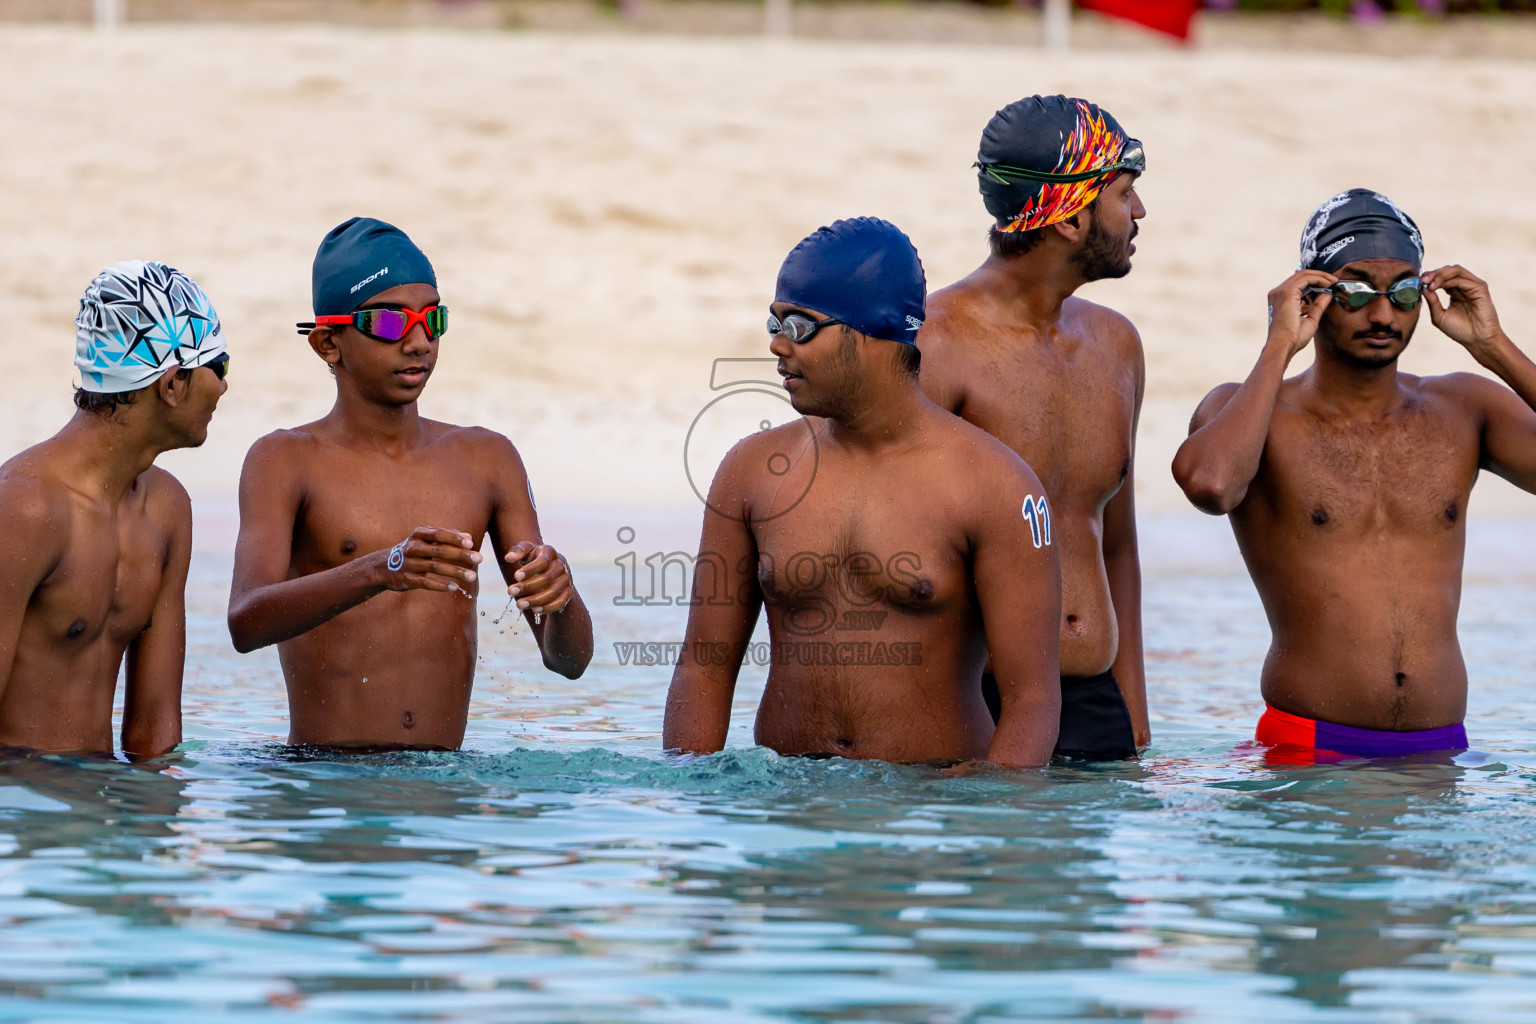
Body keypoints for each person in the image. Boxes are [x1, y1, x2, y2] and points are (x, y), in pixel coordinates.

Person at [663, 217, 1062, 767]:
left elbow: (1033, 701)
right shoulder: (751, 471)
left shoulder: (997, 485)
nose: (778, 345)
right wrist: (691, 802)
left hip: (930, 804)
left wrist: (985, 815)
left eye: (800, 326)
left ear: (872, 332)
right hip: (787, 804)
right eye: (773, 324)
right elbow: (703, 666)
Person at [1173, 188, 1536, 761]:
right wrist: (1278, 346)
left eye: (1405, 291)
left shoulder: (1466, 409)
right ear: (1313, 293)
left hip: (1439, 756)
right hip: (1311, 753)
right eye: (1358, 290)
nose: (1383, 314)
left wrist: (1494, 347)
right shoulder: (1254, 412)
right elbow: (1211, 485)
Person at [227, 217, 592, 749]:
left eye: (432, 319)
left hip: (442, 797)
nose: (419, 342)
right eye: (390, 324)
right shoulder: (284, 461)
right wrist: (381, 568)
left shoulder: (486, 459)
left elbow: (569, 662)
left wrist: (561, 598)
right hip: (325, 789)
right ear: (329, 343)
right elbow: (245, 622)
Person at [917, 95, 1149, 760]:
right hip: (977, 708)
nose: (1138, 214)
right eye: (1125, 194)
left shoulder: (1116, 344)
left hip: (1097, 704)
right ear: (1072, 219)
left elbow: (1118, 541)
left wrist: (1132, 703)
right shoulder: (939, 343)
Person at [0, 261, 229, 756]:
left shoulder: (167, 510)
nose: (225, 387)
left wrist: (157, 825)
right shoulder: (26, 509)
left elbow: (156, 733)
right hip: (22, 808)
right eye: (220, 366)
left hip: (105, 808)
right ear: (171, 385)